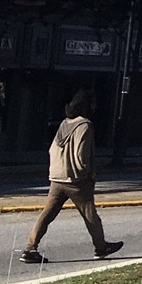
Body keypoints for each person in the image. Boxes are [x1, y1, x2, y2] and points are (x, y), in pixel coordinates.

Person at [18, 89, 123, 263]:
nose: (96, 106)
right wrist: (87, 174)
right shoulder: (85, 125)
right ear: (87, 105)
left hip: (57, 177)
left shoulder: (65, 123)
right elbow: (81, 154)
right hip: (76, 180)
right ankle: (101, 247)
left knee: (47, 214)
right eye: (93, 103)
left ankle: (30, 248)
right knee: (90, 214)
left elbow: (53, 149)